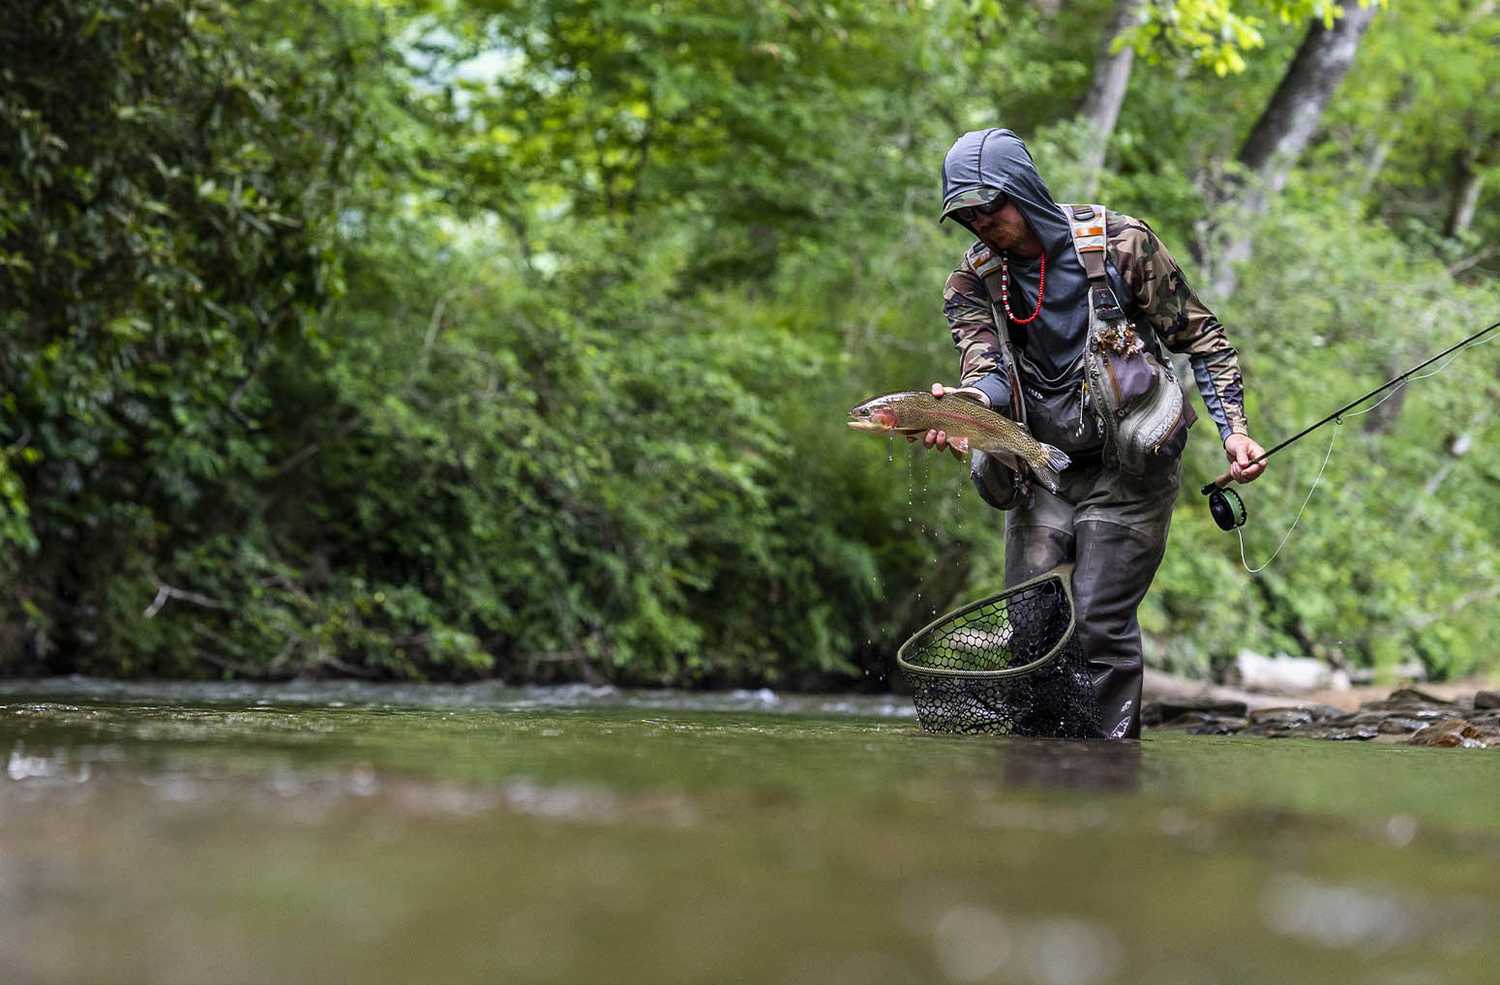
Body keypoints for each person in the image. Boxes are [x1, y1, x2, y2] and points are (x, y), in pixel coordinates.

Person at [917, 127, 1266, 739]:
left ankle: (1106, 771)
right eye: (964, 214)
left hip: (1130, 469)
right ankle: (1036, 781)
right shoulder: (971, 284)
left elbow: (1201, 338)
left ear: (1023, 192)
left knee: (1099, 625)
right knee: (1032, 629)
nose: (978, 223)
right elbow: (987, 373)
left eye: (988, 207)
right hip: (1041, 470)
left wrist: (1235, 430)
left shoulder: (1123, 247)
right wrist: (967, 408)